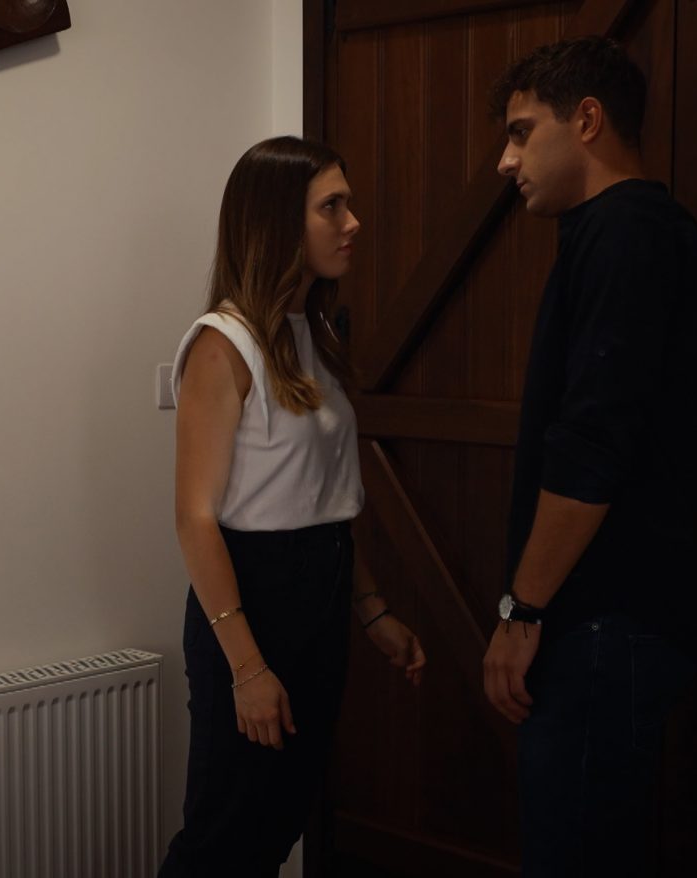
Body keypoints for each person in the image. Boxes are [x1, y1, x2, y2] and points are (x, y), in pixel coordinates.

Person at [479, 37, 697, 876]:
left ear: (586, 120)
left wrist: (521, 612)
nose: (505, 161)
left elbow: (593, 443)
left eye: (521, 132)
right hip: (603, 624)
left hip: (603, 622)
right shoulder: (610, 233)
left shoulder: (630, 232)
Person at [159, 136, 426, 877]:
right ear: (278, 222)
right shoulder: (223, 345)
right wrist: (247, 669)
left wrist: (371, 611)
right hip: (252, 603)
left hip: (321, 595)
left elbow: (324, 502)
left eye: (348, 204)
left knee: (277, 826)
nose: (353, 223)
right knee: (222, 842)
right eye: (331, 207)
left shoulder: (314, 334)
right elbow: (194, 518)